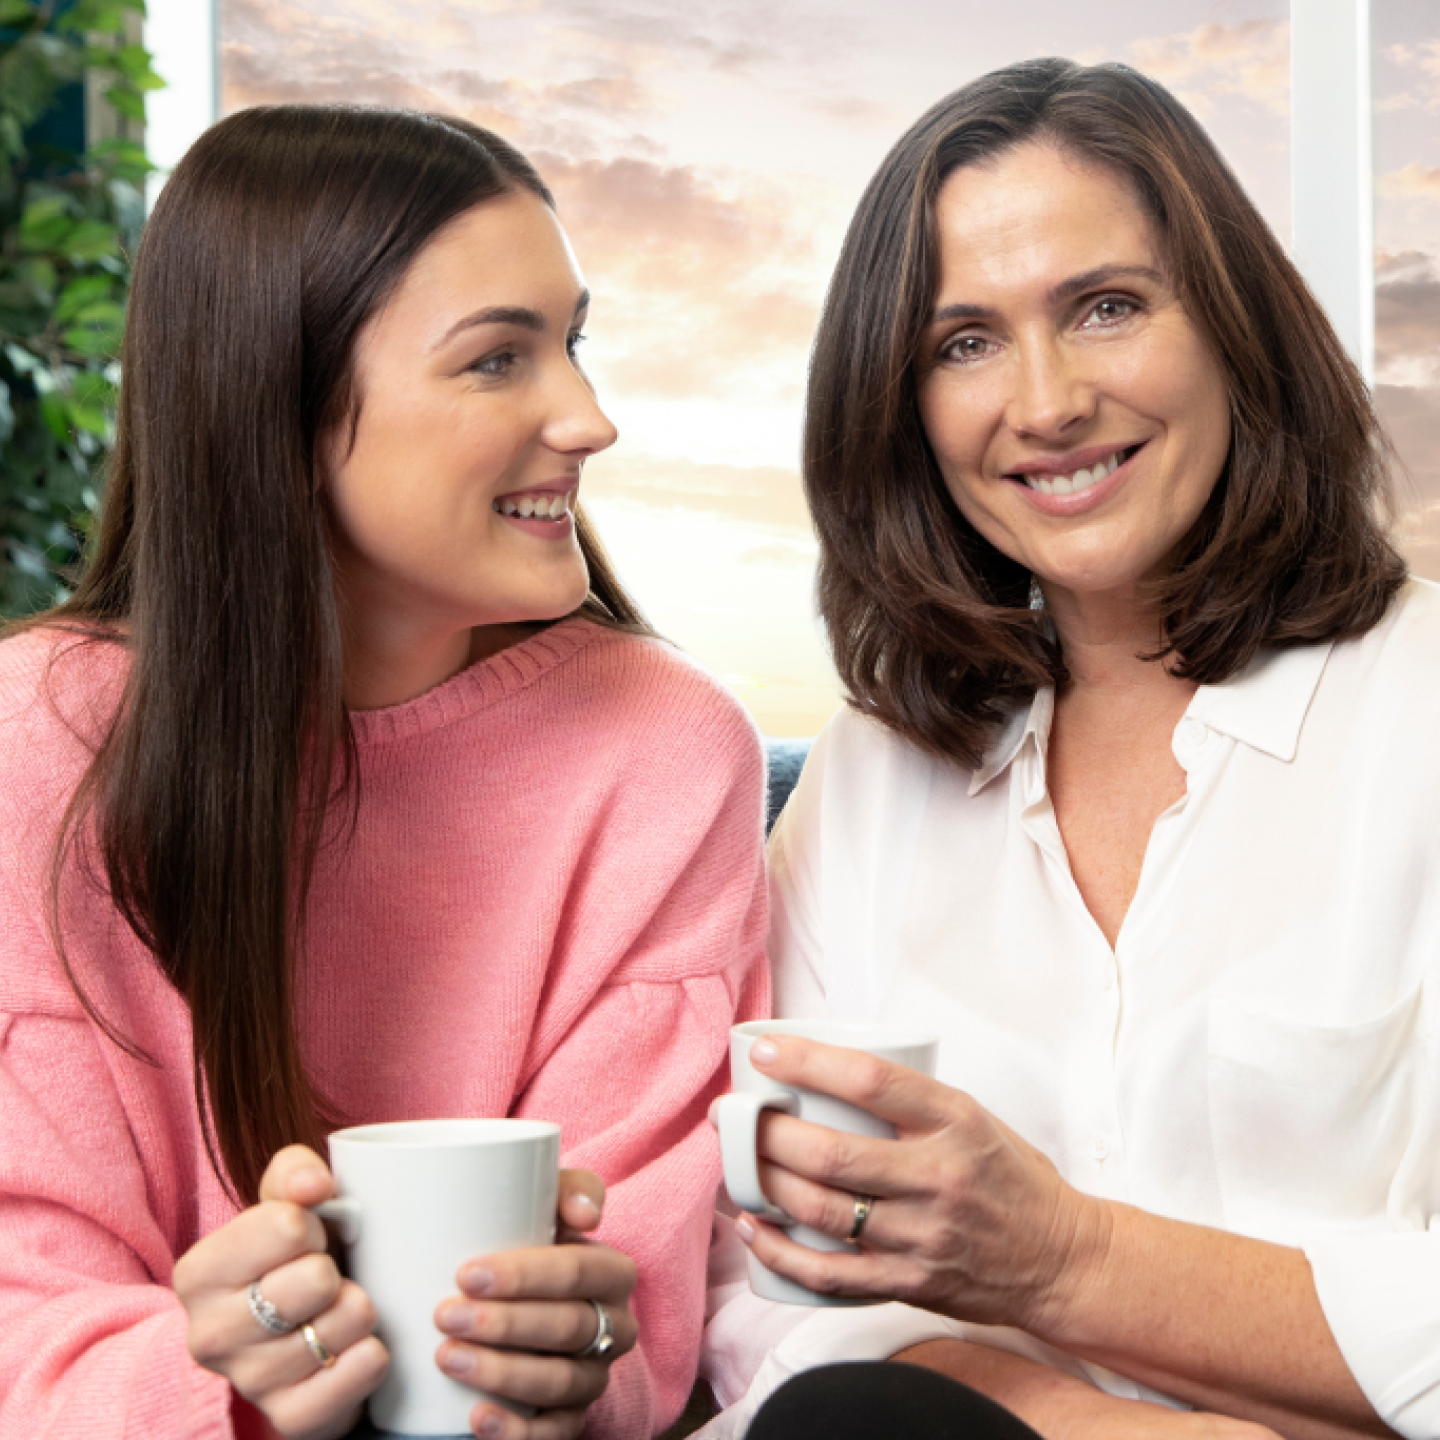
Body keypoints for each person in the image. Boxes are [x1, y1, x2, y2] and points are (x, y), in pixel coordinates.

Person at [0, 106, 768, 1440]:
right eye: (496, 362)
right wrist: (217, 1380)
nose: (588, 420)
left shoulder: (666, 751)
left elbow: (637, 1322)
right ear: (280, 414)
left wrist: (578, 1359)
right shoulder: (36, 749)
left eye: (570, 345)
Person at [700, 57, 1436, 1440]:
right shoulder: (870, 781)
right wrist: (1046, 1409)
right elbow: (763, 1286)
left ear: (1234, 326)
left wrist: (1061, 1260)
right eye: (963, 342)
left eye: (1104, 309)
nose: (1044, 404)